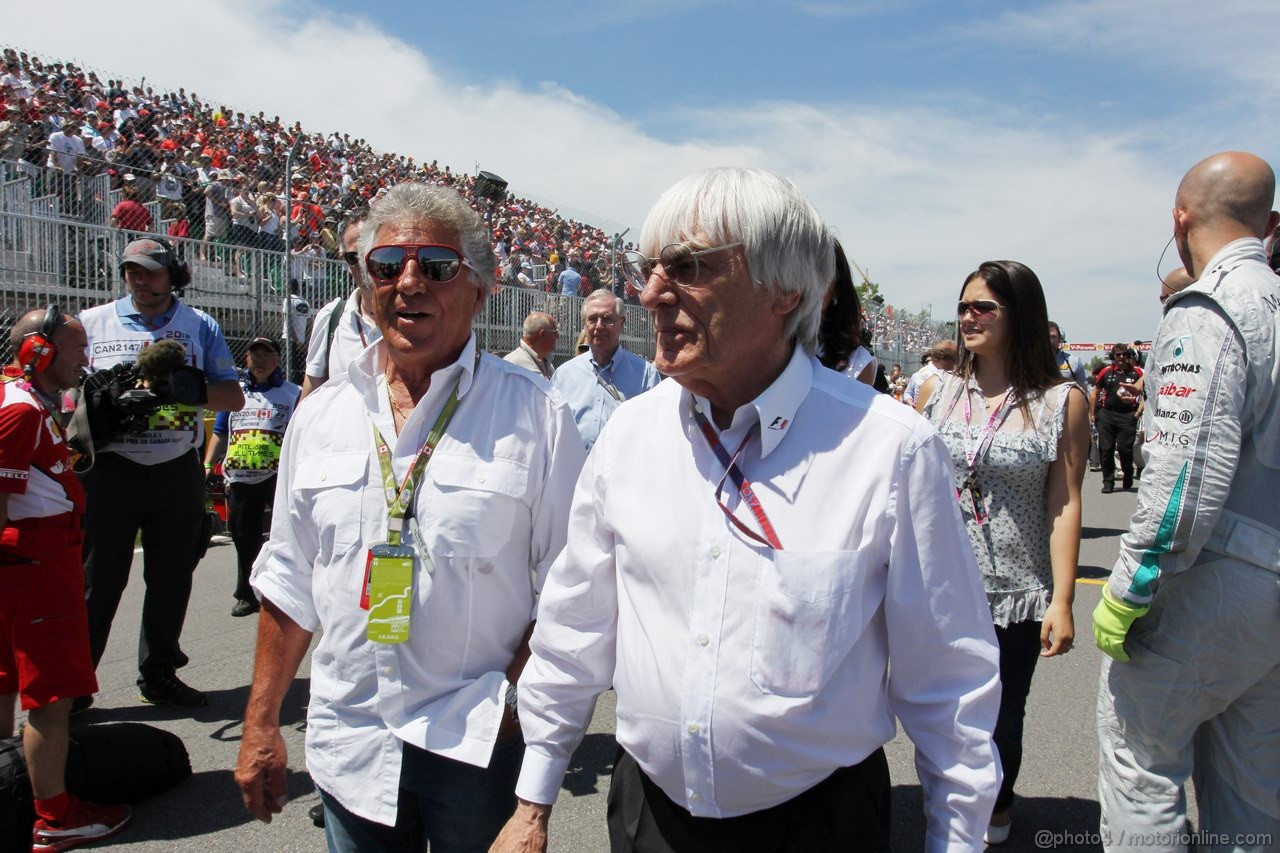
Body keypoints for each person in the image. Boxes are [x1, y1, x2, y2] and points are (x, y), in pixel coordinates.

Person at [493, 168, 1001, 853]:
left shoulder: (892, 449)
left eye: (689, 266)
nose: (649, 292)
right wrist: (533, 801)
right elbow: (572, 631)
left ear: (786, 289)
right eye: (650, 268)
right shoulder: (630, 436)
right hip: (651, 818)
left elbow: (950, 685)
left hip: (820, 827)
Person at [235, 182, 585, 852]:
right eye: (388, 265)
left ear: (480, 289)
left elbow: (570, 589)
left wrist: (516, 705)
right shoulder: (321, 414)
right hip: (352, 736)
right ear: (367, 285)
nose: (410, 282)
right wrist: (260, 722)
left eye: (438, 266)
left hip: (477, 739)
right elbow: (288, 577)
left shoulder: (538, 415)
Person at [1095, 151, 1280, 852]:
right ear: (1271, 222)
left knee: (1138, 760)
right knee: (1252, 788)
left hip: (1206, 583)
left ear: (1180, 221)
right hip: (1270, 600)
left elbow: (1183, 484)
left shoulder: (1205, 308)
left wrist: (1128, 588)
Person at [916, 261, 1089, 845]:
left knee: (1001, 717)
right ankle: (946, 806)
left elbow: (1064, 504)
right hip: (938, 583)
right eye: (963, 306)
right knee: (938, 710)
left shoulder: (1060, 402)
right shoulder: (938, 390)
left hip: (1016, 591)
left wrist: (1063, 600)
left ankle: (994, 807)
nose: (969, 317)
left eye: (984, 307)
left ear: (1021, 315)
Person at [78, 237, 245, 709]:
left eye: (150, 270)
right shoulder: (92, 323)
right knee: (98, 581)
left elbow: (231, 398)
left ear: (174, 274)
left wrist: (178, 394)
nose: (140, 278)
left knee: (171, 576)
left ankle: (160, 673)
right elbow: (66, 397)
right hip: (110, 468)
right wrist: (105, 401)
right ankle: (74, 684)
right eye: (132, 269)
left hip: (174, 466)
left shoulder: (199, 325)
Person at [0, 308, 133, 852]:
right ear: (40, 351)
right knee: (50, 698)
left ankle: (10, 792)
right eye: (77, 350)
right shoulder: (20, 410)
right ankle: (55, 817)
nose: (86, 360)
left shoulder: (24, 401)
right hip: (36, 564)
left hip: (30, 560)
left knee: (7, 680)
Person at [202, 338, 300, 618]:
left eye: (266, 355)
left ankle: (285, 591)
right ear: (246, 359)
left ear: (278, 360)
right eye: (254, 355)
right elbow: (221, 431)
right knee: (244, 539)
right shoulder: (235, 395)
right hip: (241, 475)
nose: (260, 360)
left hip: (278, 475)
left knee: (285, 535)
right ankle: (247, 594)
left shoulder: (292, 393)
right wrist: (208, 463)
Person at [551, 290, 661, 451]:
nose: (599, 326)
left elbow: (654, 430)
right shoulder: (564, 375)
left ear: (622, 323)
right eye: (592, 319)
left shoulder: (646, 374)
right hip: (575, 473)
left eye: (607, 319)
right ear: (584, 323)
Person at [300, 211, 381, 400]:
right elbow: (311, 391)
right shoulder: (332, 318)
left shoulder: (415, 317)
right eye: (355, 257)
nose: (365, 264)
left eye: (373, 254)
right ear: (343, 258)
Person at [817, 240, 876, 385]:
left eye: (820, 276)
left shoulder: (857, 363)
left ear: (836, 289)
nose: (807, 285)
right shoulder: (764, 342)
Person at [1090, 344, 1143, 493]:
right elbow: (1095, 392)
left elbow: (1146, 393)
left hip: (1128, 415)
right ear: (1113, 356)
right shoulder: (1106, 372)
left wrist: (1137, 413)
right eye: (1118, 355)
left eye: (1124, 354)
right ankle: (1108, 481)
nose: (1121, 357)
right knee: (1106, 448)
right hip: (1107, 414)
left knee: (1124, 449)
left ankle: (1128, 475)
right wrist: (1093, 414)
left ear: (1128, 356)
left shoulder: (1136, 372)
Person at [503, 311, 558, 379]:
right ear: (543, 334)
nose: (557, 336)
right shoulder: (512, 364)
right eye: (555, 332)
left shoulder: (546, 361)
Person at [903, 340, 957, 405]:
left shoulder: (947, 375)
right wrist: (910, 402)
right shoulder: (922, 375)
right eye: (955, 360)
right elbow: (908, 393)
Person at [1047, 321, 1088, 389]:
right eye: (1046, 336)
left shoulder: (1074, 362)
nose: (1050, 340)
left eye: (1053, 337)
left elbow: (1083, 391)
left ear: (1060, 339)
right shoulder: (1031, 364)